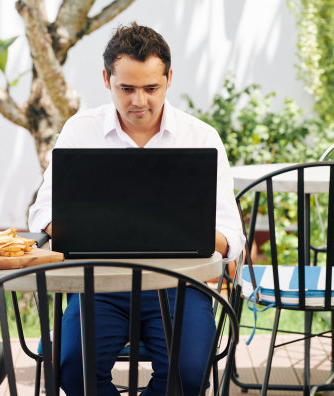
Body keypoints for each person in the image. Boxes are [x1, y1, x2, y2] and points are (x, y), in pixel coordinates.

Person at [29, 22, 245, 396]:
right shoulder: (81, 131)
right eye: (126, 88)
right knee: (71, 370)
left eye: (151, 88)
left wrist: (173, 225)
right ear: (106, 79)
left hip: (181, 286)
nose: (139, 101)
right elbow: (42, 214)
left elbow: (229, 236)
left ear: (169, 79)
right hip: (99, 285)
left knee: (189, 376)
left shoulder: (201, 137)